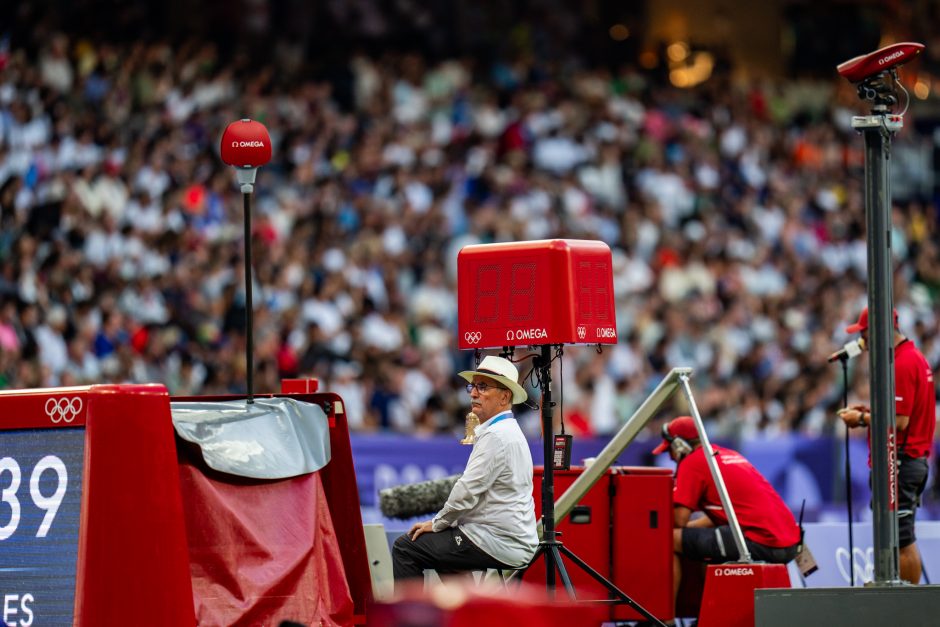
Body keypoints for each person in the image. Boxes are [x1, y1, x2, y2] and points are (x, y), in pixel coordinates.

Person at [392, 355, 538, 582]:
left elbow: (467, 491)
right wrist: (444, 524)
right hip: (507, 538)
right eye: (473, 386)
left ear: (504, 396)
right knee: (442, 549)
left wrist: (438, 522)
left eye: (482, 386)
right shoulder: (506, 431)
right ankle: (469, 614)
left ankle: (412, 618)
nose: (472, 393)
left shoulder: (497, 435)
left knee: (406, 547)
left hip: (499, 540)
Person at [654, 416, 800, 610]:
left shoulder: (692, 462)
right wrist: (690, 530)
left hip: (761, 540)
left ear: (680, 445)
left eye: (670, 449)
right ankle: (710, 618)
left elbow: (678, 520)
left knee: (666, 539)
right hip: (789, 540)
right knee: (709, 551)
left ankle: (665, 620)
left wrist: (651, 521)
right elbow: (726, 514)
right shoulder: (726, 454)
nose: (671, 457)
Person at [837, 306, 936, 584]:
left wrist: (862, 419)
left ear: (880, 331)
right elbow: (900, 412)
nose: (863, 343)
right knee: (898, 536)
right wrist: (870, 410)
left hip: (902, 461)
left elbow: (900, 421)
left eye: (865, 334)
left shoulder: (902, 363)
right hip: (905, 459)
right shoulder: (910, 358)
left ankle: (906, 606)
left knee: (902, 538)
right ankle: (901, 598)